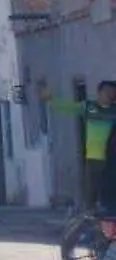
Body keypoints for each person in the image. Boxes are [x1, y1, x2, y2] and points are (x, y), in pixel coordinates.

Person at [50, 80, 116, 211]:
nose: (109, 95)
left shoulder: (114, 111)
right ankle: (91, 210)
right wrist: (51, 100)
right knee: (92, 185)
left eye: (113, 92)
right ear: (99, 93)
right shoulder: (89, 107)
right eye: (107, 91)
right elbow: (68, 107)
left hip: (112, 156)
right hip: (94, 155)